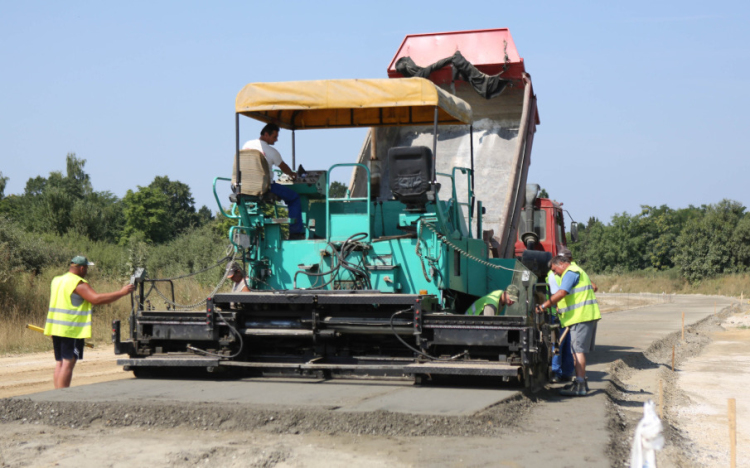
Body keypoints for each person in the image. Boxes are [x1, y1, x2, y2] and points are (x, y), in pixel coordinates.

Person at [44, 256, 135, 389]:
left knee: (60, 363)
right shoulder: (78, 283)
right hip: (70, 329)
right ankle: (62, 396)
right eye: (86, 268)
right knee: (68, 363)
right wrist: (121, 293)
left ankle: (56, 393)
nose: (86, 271)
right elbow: (96, 299)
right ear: (82, 268)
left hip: (55, 328)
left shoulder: (57, 280)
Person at [536, 255, 601, 396]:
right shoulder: (576, 271)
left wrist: (544, 306)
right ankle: (580, 381)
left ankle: (580, 385)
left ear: (562, 264)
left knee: (577, 351)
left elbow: (561, 293)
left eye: (555, 269)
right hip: (581, 317)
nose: (555, 273)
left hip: (581, 317)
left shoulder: (570, 273)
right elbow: (592, 288)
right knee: (575, 351)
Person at [242, 123, 304, 239]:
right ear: (266, 134)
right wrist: (293, 174)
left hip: (245, 186)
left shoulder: (247, 145)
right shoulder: (271, 151)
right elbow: (283, 167)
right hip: (265, 186)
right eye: (274, 136)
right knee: (294, 197)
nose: (276, 140)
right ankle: (296, 232)